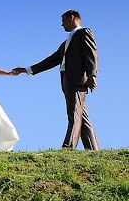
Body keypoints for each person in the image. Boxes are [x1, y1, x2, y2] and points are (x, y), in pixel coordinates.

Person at [12, 10, 99, 150]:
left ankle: (68, 147)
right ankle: (94, 150)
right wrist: (26, 70)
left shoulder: (84, 33)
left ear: (72, 17)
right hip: (67, 82)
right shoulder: (66, 43)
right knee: (82, 117)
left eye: (63, 20)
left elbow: (91, 54)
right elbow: (50, 61)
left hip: (77, 81)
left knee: (74, 115)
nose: (61, 24)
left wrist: (92, 75)